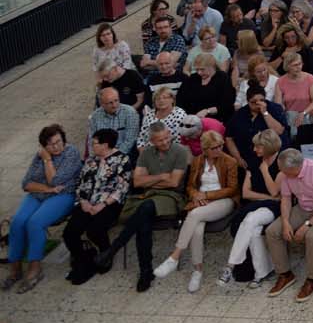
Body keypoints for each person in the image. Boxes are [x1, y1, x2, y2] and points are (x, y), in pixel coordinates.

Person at [94, 124, 192, 292]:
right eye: (160, 140)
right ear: (151, 141)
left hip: (172, 197)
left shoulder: (180, 151)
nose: (165, 142)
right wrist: (161, 176)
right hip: (148, 196)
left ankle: (114, 249)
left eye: (166, 137)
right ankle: (145, 271)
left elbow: (174, 182)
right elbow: (137, 182)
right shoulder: (146, 153)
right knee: (143, 220)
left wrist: (150, 179)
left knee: (145, 209)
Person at [152, 129, 239, 291]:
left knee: (194, 214)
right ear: (205, 149)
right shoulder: (198, 161)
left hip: (223, 201)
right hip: (200, 201)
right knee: (197, 230)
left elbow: (232, 189)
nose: (219, 150)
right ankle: (197, 271)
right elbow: (190, 186)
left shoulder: (230, 161)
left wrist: (206, 194)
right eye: (214, 148)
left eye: (220, 146)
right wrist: (197, 196)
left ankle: (174, 256)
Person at [5, 124, 82, 292]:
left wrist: (47, 160)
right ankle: (15, 266)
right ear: (43, 146)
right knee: (17, 222)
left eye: (59, 141)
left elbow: (55, 180)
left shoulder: (71, 153)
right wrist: (47, 188)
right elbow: (26, 184)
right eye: (51, 144)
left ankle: (35, 268)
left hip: (63, 196)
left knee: (35, 223)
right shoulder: (39, 155)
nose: (56, 146)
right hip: (40, 194)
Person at [264, 148, 313, 302]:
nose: (281, 174)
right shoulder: (286, 173)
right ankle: (285, 274)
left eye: (284, 171)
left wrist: (307, 225)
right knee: (272, 231)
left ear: (295, 168)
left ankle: (311, 279)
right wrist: (285, 222)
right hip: (303, 208)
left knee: (311, 235)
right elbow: (285, 198)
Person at [60, 128, 132, 286]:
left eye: (94, 143)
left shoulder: (122, 160)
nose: (91, 146)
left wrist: (103, 204)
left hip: (109, 204)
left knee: (95, 230)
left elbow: (122, 188)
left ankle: (105, 254)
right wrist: (84, 202)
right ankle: (84, 259)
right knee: (69, 233)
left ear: (105, 145)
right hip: (87, 203)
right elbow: (80, 183)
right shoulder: (91, 160)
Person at [217, 128, 283, 287]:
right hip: (258, 204)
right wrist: (267, 197)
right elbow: (246, 193)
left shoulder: (281, 163)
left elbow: (276, 191)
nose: (254, 149)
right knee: (254, 231)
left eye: (258, 146)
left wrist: (265, 171)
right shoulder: (253, 162)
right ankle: (261, 273)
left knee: (250, 219)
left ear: (267, 146)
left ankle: (230, 265)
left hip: (275, 208)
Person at [89, 86, 140, 156]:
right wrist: (94, 157)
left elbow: (130, 140)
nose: (114, 105)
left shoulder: (130, 112)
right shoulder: (95, 116)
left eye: (116, 100)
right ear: (102, 104)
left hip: (124, 154)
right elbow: (91, 141)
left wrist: (113, 156)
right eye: (110, 103)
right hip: (101, 155)